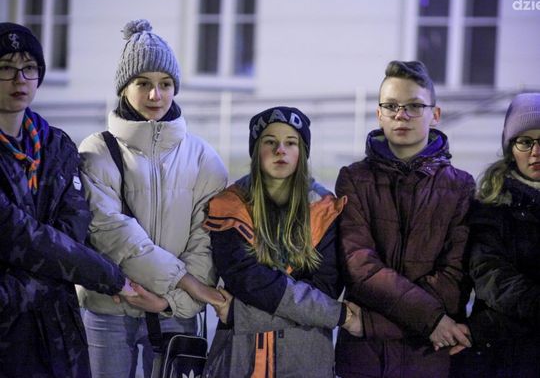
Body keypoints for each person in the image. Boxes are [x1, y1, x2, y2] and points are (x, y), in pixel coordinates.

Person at [77, 19, 228, 378]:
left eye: (165, 84)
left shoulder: (204, 158)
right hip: (110, 306)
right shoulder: (96, 152)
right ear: (124, 88)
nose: (155, 95)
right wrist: (187, 283)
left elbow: (207, 242)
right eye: (142, 83)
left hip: (175, 314)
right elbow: (111, 234)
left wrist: (168, 302)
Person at [0, 22, 131, 377]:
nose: (19, 79)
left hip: (59, 334)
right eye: (6, 68)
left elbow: (73, 228)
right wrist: (108, 276)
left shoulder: (56, 144)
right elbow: (20, 237)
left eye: (29, 68)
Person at [334, 60, 476, 378]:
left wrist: (371, 324)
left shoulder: (461, 187)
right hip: (365, 362)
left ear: (435, 114)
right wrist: (431, 320)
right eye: (392, 106)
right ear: (379, 113)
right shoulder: (353, 179)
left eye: (414, 106)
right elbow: (359, 268)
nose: (401, 115)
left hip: (428, 358)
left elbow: (455, 278)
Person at [201, 106, 363, 378]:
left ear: (303, 152)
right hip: (237, 360)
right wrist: (337, 315)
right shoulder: (229, 205)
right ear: (256, 151)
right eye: (270, 142)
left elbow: (325, 290)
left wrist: (240, 314)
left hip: (306, 362)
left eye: (291, 143)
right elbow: (248, 281)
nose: (280, 150)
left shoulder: (325, 209)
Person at [449, 93, 540, 378]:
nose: (536, 152)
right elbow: (491, 276)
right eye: (525, 141)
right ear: (510, 148)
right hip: (504, 357)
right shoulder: (491, 206)